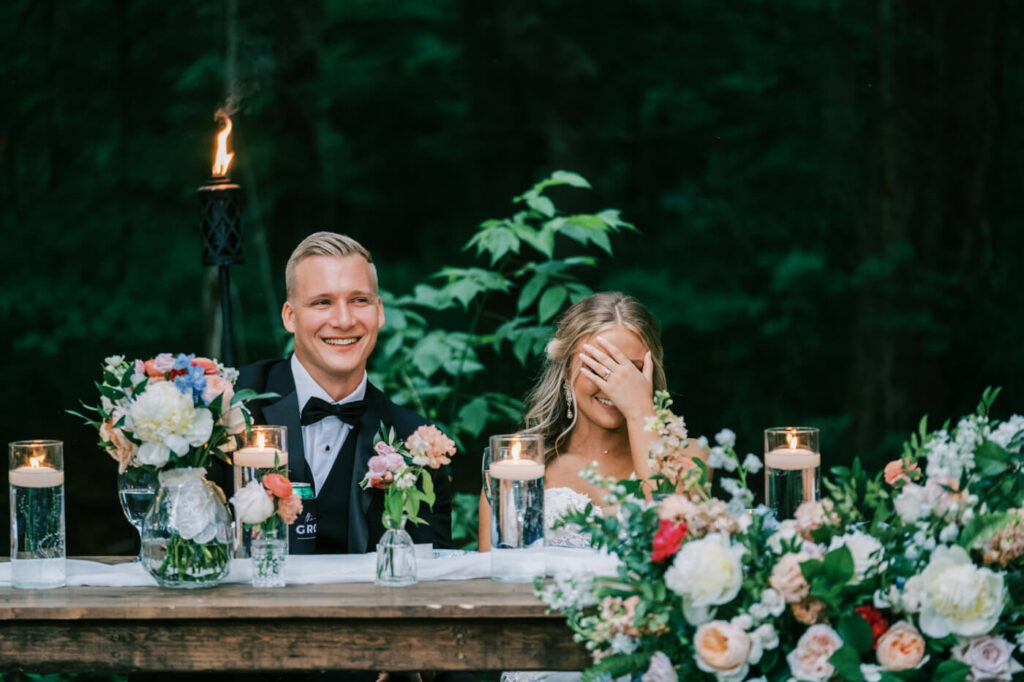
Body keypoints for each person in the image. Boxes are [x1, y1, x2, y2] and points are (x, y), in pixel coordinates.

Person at [235, 231, 453, 554]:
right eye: (322, 302)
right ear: (290, 317)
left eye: (358, 300)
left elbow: (427, 580)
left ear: (379, 312)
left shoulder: (416, 446)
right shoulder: (231, 407)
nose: (344, 319)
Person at [479, 291, 705, 550]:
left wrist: (640, 411)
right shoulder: (516, 469)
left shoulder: (690, 458)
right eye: (598, 366)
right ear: (566, 370)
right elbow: (491, 575)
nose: (614, 386)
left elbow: (676, 544)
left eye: (631, 370)